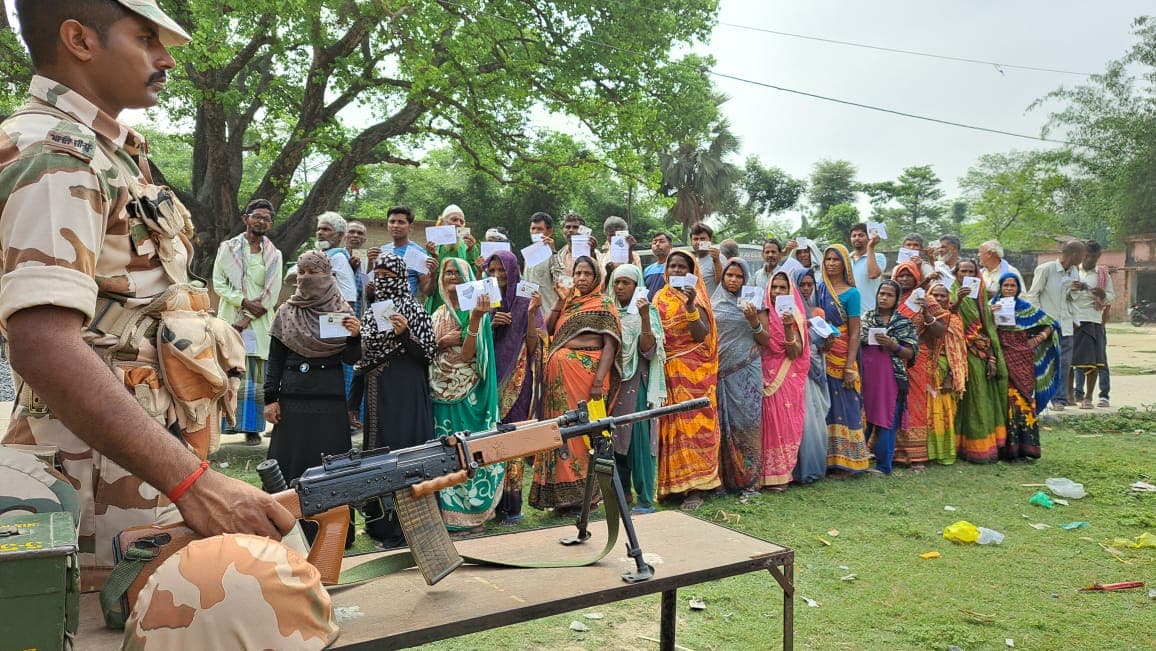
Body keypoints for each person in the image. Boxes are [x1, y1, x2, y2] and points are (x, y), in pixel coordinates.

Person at [0, 0, 293, 592]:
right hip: (101, 498)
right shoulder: (57, 156)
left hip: (134, 473)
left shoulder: (106, 154)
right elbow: (44, 345)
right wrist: (196, 486)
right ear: (80, 40)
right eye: (144, 38)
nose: (165, 59)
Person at [264, 251, 361, 546]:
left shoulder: (341, 311)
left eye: (313, 271)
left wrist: (356, 336)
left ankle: (335, 535)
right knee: (289, 467)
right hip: (292, 403)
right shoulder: (286, 312)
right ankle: (284, 531)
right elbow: (275, 360)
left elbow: (352, 358)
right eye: (302, 271)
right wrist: (270, 399)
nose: (306, 277)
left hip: (328, 404)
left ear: (328, 275)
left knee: (331, 470)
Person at [348, 253, 436, 548]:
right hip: (376, 395)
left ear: (402, 279)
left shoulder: (416, 311)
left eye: (390, 276)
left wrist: (405, 335)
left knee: (406, 455)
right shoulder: (372, 313)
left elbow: (427, 355)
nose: (383, 282)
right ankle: (379, 526)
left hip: (406, 396)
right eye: (379, 276)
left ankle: (405, 528)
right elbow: (362, 360)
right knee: (378, 456)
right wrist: (353, 402)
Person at [532, 256, 621, 515]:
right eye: (578, 273)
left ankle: (586, 497)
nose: (581, 278)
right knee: (560, 433)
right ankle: (561, 497)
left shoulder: (603, 303)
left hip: (587, 378)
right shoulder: (569, 302)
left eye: (586, 274)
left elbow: (611, 344)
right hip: (558, 384)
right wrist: (559, 302)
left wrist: (597, 381)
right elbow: (546, 330)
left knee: (582, 436)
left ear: (596, 277)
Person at [429, 257, 503, 532]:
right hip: (438, 394)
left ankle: (474, 514)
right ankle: (450, 517)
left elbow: (469, 353)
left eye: (458, 274)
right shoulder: (437, 313)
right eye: (448, 273)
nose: (452, 278)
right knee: (445, 452)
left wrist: (473, 320)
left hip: (468, 394)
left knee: (468, 452)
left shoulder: (478, 312)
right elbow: (430, 350)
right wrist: (442, 342)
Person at [653, 251, 722, 509]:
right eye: (673, 266)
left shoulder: (699, 297)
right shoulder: (659, 297)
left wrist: (690, 305)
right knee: (670, 427)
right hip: (667, 371)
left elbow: (701, 335)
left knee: (694, 427)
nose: (677, 270)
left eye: (683, 266)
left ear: (691, 271)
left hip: (695, 373)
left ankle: (697, 487)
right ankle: (673, 486)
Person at [212, 198, 283, 446]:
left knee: (255, 372)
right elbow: (219, 283)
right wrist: (242, 301)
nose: (261, 221)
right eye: (258, 216)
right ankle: (226, 424)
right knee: (228, 370)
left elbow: (272, 293)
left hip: (259, 322)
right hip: (229, 319)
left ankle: (252, 429)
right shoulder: (227, 248)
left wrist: (247, 318)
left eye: (267, 218)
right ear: (246, 219)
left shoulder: (274, 255)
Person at [487, 250, 545, 524]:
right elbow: (467, 335)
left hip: (519, 380)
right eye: (492, 271)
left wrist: (532, 314)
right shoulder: (483, 299)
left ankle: (512, 504)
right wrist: (488, 320)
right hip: (486, 381)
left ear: (513, 271)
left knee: (514, 438)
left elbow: (535, 347)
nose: (497, 277)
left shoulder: (525, 301)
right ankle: (489, 501)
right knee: (489, 439)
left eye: (502, 271)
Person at [608, 264, 667, 514]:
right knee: (613, 439)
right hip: (611, 384)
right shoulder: (608, 311)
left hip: (636, 384)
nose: (620, 287)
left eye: (626, 283)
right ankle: (622, 496)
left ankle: (645, 499)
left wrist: (643, 318)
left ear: (636, 286)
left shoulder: (648, 311)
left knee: (638, 440)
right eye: (616, 282)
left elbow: (649, 350)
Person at [711, 258, 769, 493]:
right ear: (723, 277)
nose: (733, 280)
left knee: (747, 425)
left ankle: (749, 483)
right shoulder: (713, 302)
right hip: (719, 373)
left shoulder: (754, 303)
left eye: (739, 277)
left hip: (745, 372)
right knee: (721, 427)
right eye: (729, 275)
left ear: (746, 280)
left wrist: (753, 320)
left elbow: (766, 339)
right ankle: (723, 481)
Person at [991, 274, 1060, 460]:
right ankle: (1005, 449)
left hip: (1023, 359)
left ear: (1018, 288)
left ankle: (1026, 448)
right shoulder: (991, 306)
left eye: (1013, 285)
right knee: (1004, 401)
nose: (1009, 289)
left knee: (1024, 401)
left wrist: (1037, 339)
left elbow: (1052, 324)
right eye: (1005, 285)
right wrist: (991, 315)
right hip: (1000, 357)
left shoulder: (1026, 308)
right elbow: (981, 329)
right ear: (1000, 287)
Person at [815, 245, 871, 475]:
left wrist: (849, 366)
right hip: (821, 352)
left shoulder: (852, 293)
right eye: (827, 259)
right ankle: (827, 458)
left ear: (845, 264)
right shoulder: (819, 289)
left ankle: (850, 460)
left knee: (846, 403)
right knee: (824, 405)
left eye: (836, 259)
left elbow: (855, 332)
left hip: (843, 354)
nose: (830, 263)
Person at [859, 281, 918, 475]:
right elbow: (856, 339)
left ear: (897, 299)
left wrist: (894, 345)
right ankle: (856, 462)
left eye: (889, 295)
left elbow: (910, 353)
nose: (883, 297)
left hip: (891, 379)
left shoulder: (903, 323)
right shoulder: (866, 318)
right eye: (881, 293)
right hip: (866, 377)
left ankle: (884, 466)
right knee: (862, 418)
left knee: (887, 420)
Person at [953, 259, 1009, 463]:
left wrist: (990, 354)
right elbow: (949, 315)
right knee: (969, 394)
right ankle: (964, 446)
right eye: (962, 270)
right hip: (960, 350)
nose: (966, 274)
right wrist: (958, 301)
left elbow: (986, 323)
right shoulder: (951, 291)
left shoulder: (981, 292)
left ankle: (985, 445)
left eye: (971, 271)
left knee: (983, 394)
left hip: (983, 350)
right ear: (956, 273)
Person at [893, 260, 947, 469]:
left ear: (916, 277)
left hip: (917, 357)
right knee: (891, 402)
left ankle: (916, 455)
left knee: (914, 403)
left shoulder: (926, 299)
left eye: (908, 275)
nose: (904, 279)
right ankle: (890, 451)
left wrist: (926, 314)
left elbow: (941, 330)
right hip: (891, 355)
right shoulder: (890, 296)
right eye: (900, 275)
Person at [760, 271, 808, 490]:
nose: (778, 292)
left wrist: (788, 327)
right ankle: (763, 476)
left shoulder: (796, 316)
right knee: (766, 423)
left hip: (787, 375)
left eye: (783, 288)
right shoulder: (762, 311)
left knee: (785, 422)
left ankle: (782, 474)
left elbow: (796, 352)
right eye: (774, 287)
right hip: (762, 374)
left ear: (790, 291)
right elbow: (760, 341)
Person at [1025, 240, 1085, 410]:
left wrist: (1076, 293)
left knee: (1065, 363)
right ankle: (1042, 398)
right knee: (1046, 362)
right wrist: (1039, 321)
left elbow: (1072, 299)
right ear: (1073, 254)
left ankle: (1059, 400)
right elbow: (1033, 295)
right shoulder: (1046, 269)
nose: (1083, 258)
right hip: (1047, 326)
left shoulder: (1074, 271)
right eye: (1081, 255)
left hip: (1065, 325)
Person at [792, 268, 830, 484]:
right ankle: (793, 469)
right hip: (792, 370)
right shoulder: (786, 310)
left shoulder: (818, 313)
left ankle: (811, 468)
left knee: (813, 420)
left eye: (810, 285)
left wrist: (826, 339)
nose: (806, 289)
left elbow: (823, 346)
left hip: (812, 371)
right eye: (802, 284)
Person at [926, 282, 967, 465]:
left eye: (943, 296)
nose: (939, 298)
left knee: (944, 413)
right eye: (935, 295)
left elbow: (958, 352)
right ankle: (925, 452)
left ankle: (943, 453)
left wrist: (951, 376)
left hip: (944, 373)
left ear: (948, 298)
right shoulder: (922, 316)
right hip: (924, 370)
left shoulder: (954, 320)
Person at [1072, 240, 1115, 408]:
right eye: (1087, 255)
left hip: (1094, 320)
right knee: (1075, 361)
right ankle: (1076, 394)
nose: (1089, 259)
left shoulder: (1103, 275)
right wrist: (1080, 288)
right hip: (1075, 320)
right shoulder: (1074, 271)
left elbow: (1111, 297)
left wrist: (1103, 294)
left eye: (1093, 257)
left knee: (1096, 360)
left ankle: (1095, 396)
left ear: (1099, 256)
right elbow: (1066, 292)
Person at [369, 205, 437, 301]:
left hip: (405, 312)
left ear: (410, 227)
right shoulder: (382, 251)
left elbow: (427, 291)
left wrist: (433, 275)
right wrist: (369, 263)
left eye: (401, 222)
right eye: (392, 222)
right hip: (380, 310)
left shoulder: (418, 254)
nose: (395, 225)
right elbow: (371, 284)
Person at [424, 204, 480, 313]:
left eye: (461, 221)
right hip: (438, 303)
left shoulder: (470, 246)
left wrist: (470, 252)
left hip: (463, 304)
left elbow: (475, 280)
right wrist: (434, 257)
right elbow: (428, 286)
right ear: (443, 222)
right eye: (454, 219)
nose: (458, 224)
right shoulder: (434, 246)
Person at [314, 211, 358, 306]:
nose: (320, 233)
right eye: (319, 229)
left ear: (340, 235)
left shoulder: (338, 257)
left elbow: (349, 295)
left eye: (326, 229)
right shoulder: (319, 255)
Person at [525, 212, 562, 316]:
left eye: (539, 229)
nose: (535, 232)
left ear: (549, 232)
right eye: (533, 229)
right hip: (530, 314)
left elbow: (561, 280)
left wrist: (554, 251)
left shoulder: (553, 255)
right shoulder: (528, 255)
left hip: (548, 313)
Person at [849, 223, 886, 312]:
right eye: (854, 236)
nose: (857, 238)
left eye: (861, 235)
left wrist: (870, 246)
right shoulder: (846, 258)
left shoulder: (879, 257)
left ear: (869, 237)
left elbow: (873, 274)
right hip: (848, 314)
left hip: (869, 313)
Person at [689, 222, 724, 295]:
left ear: (710, 240)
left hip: (712, 305)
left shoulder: (719, 258)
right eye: (695, 239)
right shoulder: (692, 261)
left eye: (702, 239)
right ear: (691, 241)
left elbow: (722, 285)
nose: (699, 242)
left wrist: (716, 261)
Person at [346, 219, 370, 315]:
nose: (355, 235)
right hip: (338, 313)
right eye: (351, 232)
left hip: (361, 312)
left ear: (364, 239)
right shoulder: (335, 256)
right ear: (344, 235)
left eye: (360, 233)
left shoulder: (368, 260)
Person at [644, 232, 673, 299]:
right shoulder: (647, 270)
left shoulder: (676, 267)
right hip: (650, 308)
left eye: (661, 241)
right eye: (654, 242)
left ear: (670, 245)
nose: (657, 244)